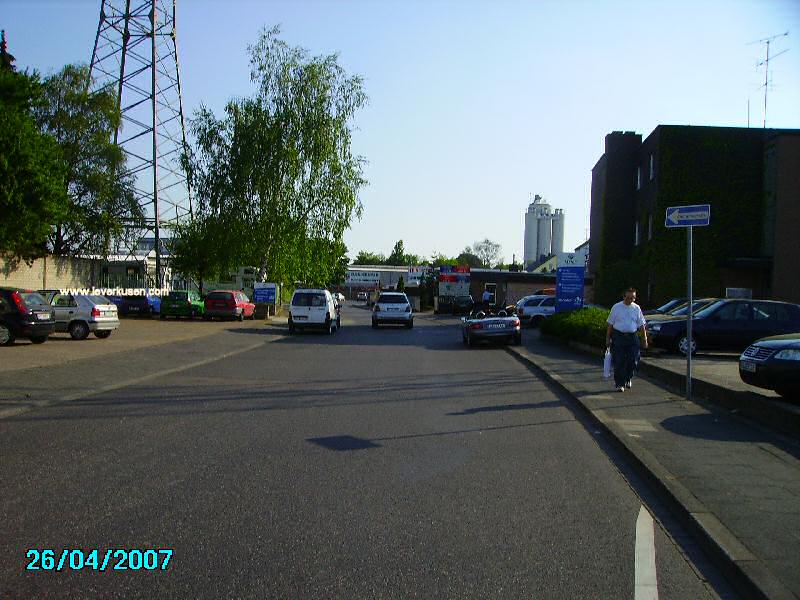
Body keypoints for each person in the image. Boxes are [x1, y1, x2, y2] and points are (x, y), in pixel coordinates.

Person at [605, 287, 648, 392]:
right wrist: (607, 338)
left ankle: (628, 378)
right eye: (628, 297)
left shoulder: (636, 308)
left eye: (633, 298)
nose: (630, 300)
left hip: (632, 337)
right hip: (619, 336)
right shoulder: (616, 307)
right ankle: (620, 383)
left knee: (633, 360)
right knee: (619, 361)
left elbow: (642, 325)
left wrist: (644, 339)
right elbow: (610, 324)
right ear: (624, 296)